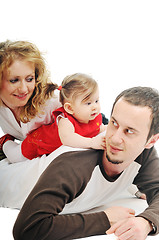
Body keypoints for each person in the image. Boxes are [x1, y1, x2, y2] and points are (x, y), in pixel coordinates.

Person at [13, 86, 159, 240]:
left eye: (129, 131)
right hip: (11, 179)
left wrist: (147, 222)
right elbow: (28, 228)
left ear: (151, 141)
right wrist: (104, 219)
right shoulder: (73, 165)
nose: (115, 138)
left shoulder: (143, 153)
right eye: (114, 123)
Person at [2, 73, 106, 162]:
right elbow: (68, 139)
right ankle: (5, 142)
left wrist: (111, 128)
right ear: (69, 108)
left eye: (97, 101)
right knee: (14, 157)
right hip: (37, 143)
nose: (95, 107)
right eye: (88, 103)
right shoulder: (65, 121)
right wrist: (92, 142)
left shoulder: (94, 117)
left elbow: (98, 128)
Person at [0, 40, 61, 162]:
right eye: (14, 80)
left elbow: (84, 125)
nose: (23, 89)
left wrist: (10, 145)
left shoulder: (53, 100)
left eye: (29, 79)